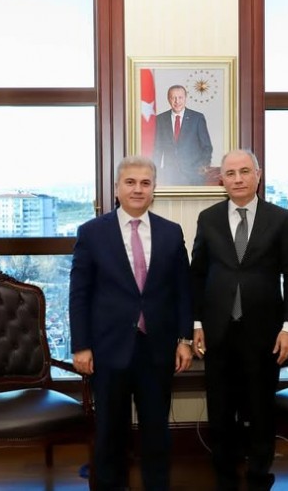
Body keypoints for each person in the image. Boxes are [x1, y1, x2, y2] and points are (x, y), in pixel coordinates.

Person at [69, 155, 194, 491]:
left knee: (156, 430)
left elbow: (183, 290)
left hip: (157, 348)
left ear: (154, 189)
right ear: (116, 189)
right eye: (130, 182)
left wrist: (184, 339)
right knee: (111, 431)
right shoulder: (92, 233)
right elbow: (79, 294)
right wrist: (81, 346)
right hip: (108, 349)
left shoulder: (171, 233)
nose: (138, 189)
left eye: (145, 183)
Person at [190, 149, 288, 491]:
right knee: (220, 410)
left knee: (261, 408)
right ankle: (224, 476)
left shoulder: (280, 219)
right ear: (221, 180)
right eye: (230, 173)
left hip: (265, 332)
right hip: (217, 331)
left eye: (244, 171)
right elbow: (197, 275)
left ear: (258, 174)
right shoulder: (208, 218)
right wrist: (196, 324)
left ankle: (258, 476)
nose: (238, 179)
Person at [152, 84, 213, 186]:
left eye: (180, 97)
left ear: (185, 98)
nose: (177, 101)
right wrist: (155, 172)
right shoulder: (160, 119)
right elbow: (157, 148)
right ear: (168, 99)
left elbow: (207, 147)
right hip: (169, 176)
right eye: (173, 98)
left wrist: (202, 167)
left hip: (194, 176)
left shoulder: (197, 118)